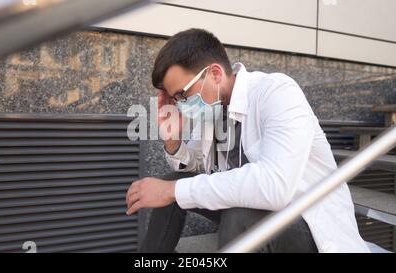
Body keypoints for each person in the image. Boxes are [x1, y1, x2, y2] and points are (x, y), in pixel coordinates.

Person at [125, 28, 369, 253]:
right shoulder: (212, 109)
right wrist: (173, 141)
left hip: (308, 226)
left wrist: (173, 190)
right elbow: (194, 167)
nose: (179, 104)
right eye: (174, 98)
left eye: (182, 94)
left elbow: (275, 186)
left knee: (233, 212)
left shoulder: (277, 92)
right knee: (172, 185)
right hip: (246, 215)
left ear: (215, 74)